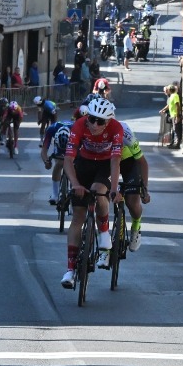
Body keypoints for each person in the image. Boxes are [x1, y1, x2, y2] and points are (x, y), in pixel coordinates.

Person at [60, 98, 123, 288]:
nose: (95, 124)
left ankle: (104, 233)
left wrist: (114, 189)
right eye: (92, 119)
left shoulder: (116, 128)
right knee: (77, 217)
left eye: (100, 121)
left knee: (98, 191)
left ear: (108, 121)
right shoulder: (80, 125)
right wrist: (75, 184)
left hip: (104, 165)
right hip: (84, 163)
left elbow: (115, 161)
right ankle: (70, 270)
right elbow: (68, 160)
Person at [117, 120, 152, 251]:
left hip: (129, 160)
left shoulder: (125, 132)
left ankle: (136, 228)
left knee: (132, 202)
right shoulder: (95, 131)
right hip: (108, 161)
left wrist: (144, 189)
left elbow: (143, 163)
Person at [40, 118, 73, 205]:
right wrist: (46, 161)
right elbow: (44, 150)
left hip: (73, 145)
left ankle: (73, 189)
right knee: (59, 163)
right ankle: (55, 194)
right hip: (59, 147)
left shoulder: (77, 130)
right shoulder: (51, 129)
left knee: (76, 165)